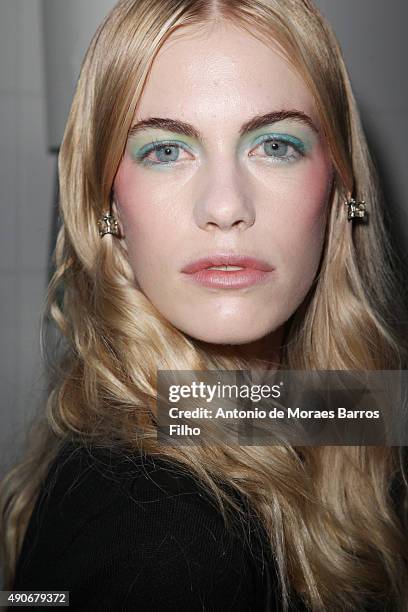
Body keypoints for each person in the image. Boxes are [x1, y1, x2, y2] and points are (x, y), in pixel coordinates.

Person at [1, 0, 407, 610]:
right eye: (165, 150)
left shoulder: (219, 405)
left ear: (339, 190)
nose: (223, 205)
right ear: (106, 206)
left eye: (274, 145)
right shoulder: (164, 538)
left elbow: (340, 417)